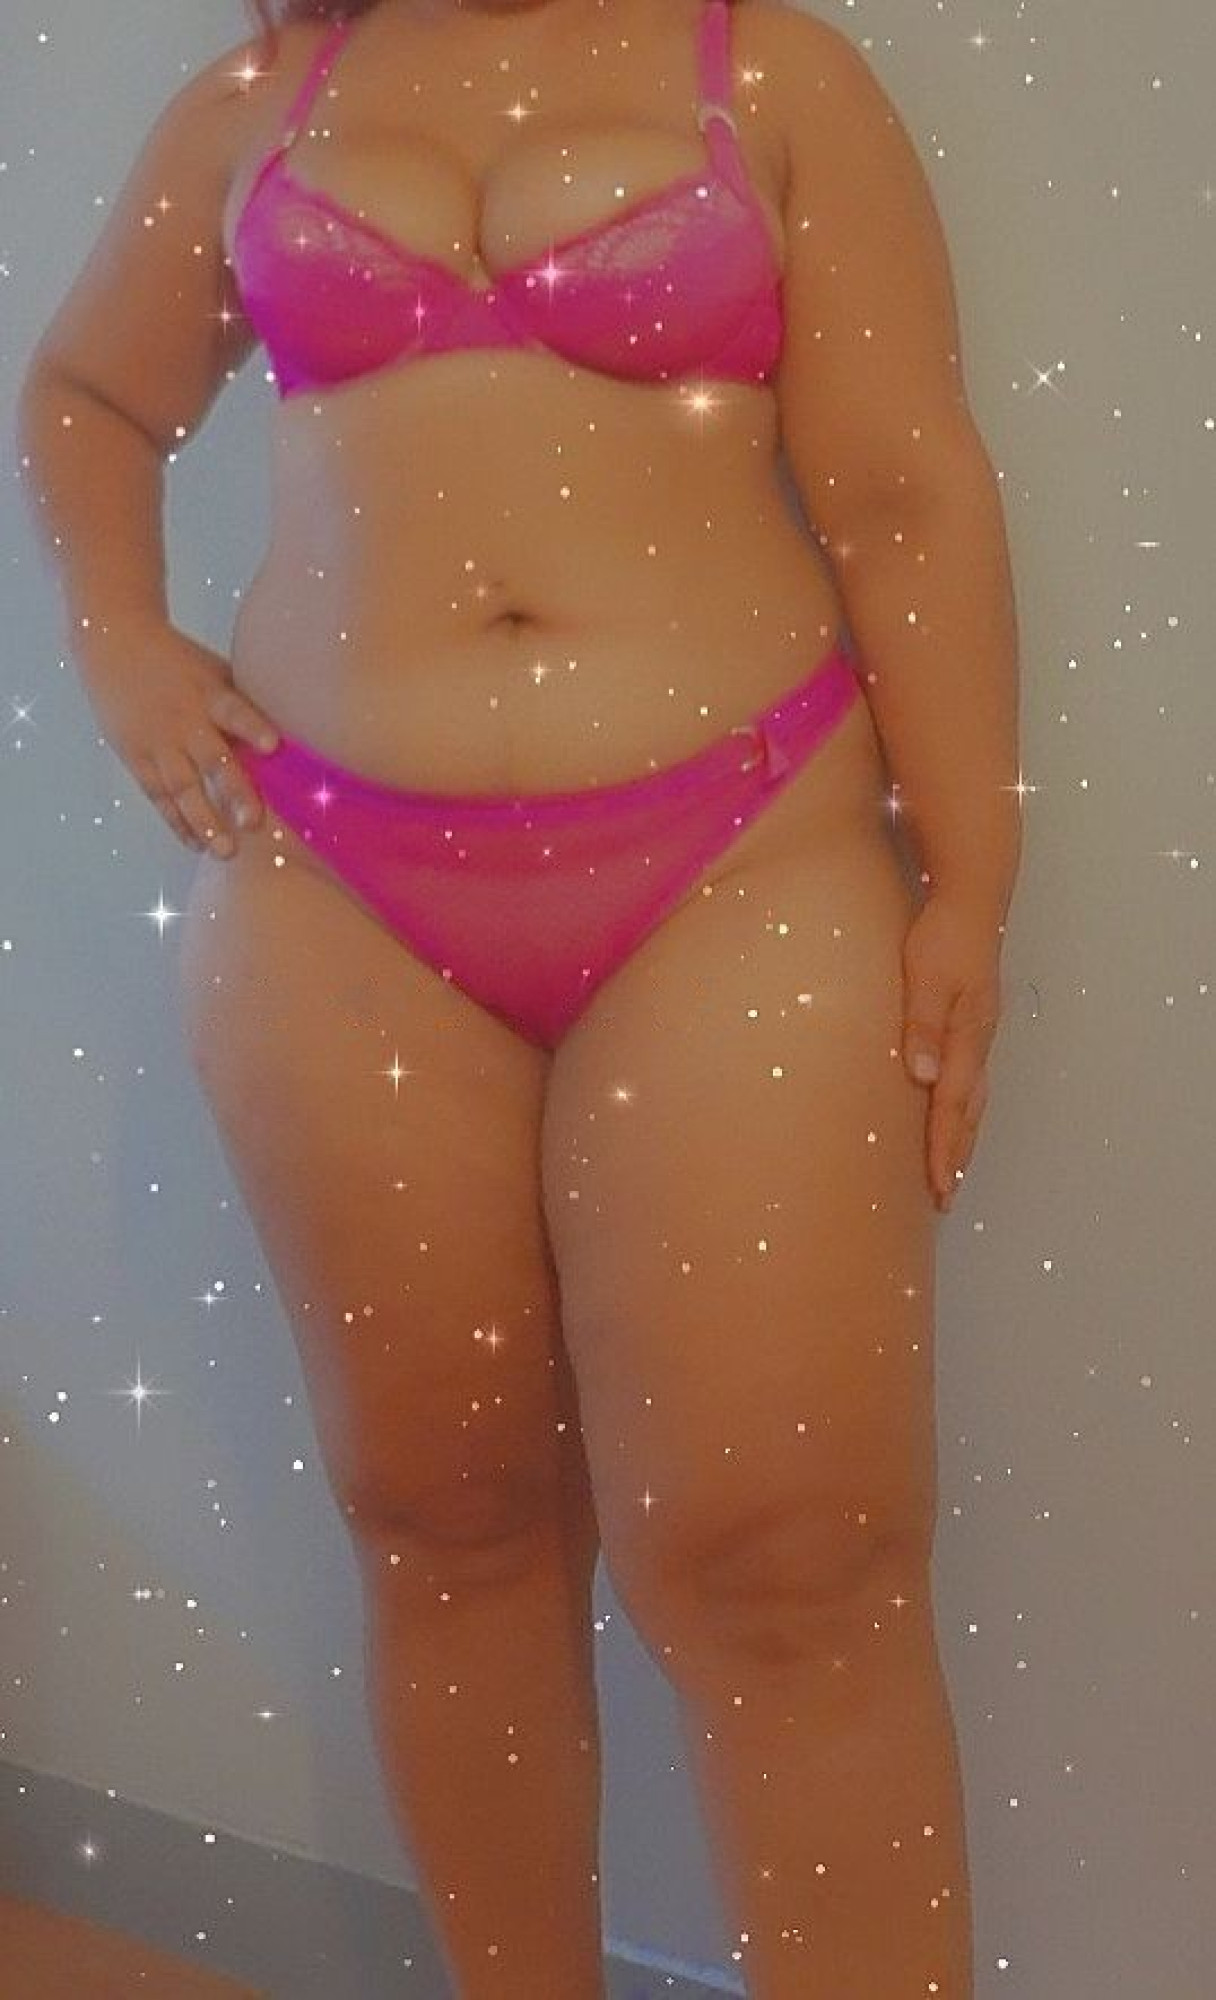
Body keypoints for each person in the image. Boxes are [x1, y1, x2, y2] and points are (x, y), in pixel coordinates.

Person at [17, 0, 1021, 1990]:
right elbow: (86, 393)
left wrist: (974, 881)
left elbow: (903, 484)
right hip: (332, 884)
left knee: (793, 1563)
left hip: (735, 857)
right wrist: (120, 638)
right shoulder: (262, 96)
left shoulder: (770, 74)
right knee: (442, 1519)